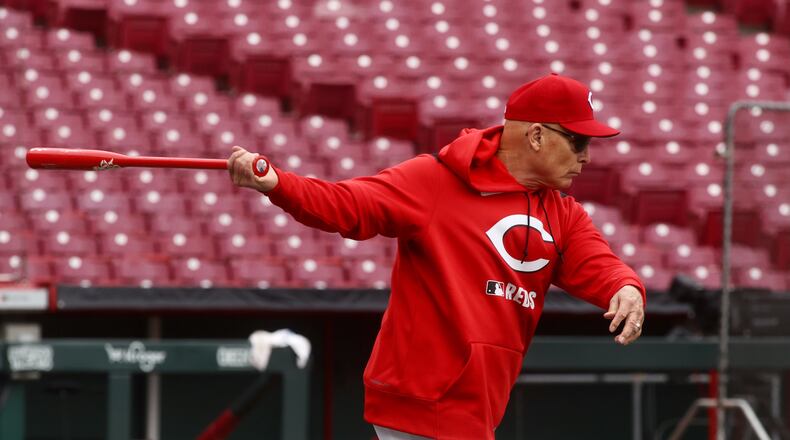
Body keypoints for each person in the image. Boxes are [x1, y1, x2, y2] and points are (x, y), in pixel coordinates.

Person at [228, 73, 646, 440]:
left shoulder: (563, 212)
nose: (587, 156)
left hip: (476, 410)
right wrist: (276, 182)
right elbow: (348, 205)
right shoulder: (434, 181)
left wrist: (625, 287)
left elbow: (598, 263)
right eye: (577, 141)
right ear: (536, 136)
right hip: (420, 405)